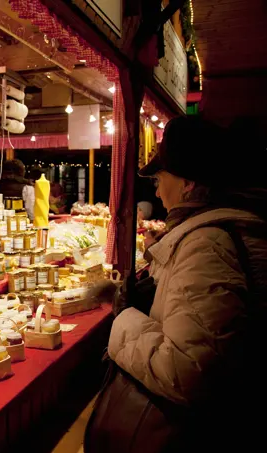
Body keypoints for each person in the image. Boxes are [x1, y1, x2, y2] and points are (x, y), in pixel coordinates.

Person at [86, 116, 267, 452]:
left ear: (188, 183)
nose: (156, 188)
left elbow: (187, 372)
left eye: (160, 176)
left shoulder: (208, 245)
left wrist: (126, 316)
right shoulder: (220, 232)